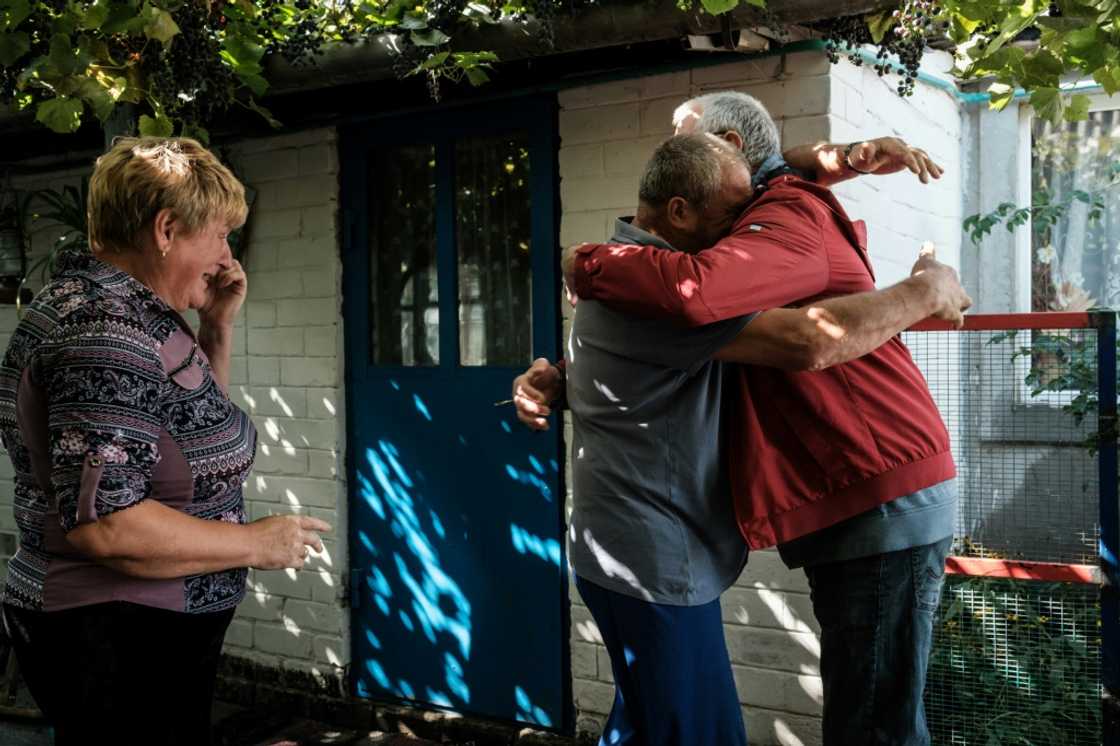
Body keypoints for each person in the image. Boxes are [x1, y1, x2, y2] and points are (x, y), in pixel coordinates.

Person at [517, 131, 969, 746]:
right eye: (735, 214)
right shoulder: (670, 293)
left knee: (649, 723)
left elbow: (640, 365)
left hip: (626, 555)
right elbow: (808, 340)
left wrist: (844, 159)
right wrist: (924, 291)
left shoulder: (640, 276)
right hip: (651, 563)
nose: (746, 229)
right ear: (681, 212)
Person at [0, 137, 329, 746]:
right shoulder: (106, 331)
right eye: (220, 235)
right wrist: (255, 543)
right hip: (114, 632)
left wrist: (216, 330)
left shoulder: (131, 311)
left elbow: (185, 436)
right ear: (167, 229)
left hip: (138, 627)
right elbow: (106, 524)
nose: (227, 256)